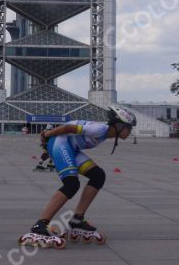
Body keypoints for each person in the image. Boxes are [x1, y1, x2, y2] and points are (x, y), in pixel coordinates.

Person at [19, 106, 137, 248]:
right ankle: (40, 225)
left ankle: (77, 219)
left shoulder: (105, 132)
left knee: (98, 176)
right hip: (59, 143)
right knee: (71, 184)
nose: (130, 132)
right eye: (129, 128)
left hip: (71, 148)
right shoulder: (100, 130)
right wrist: (47, 135)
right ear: (118, 125)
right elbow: (68, 127)